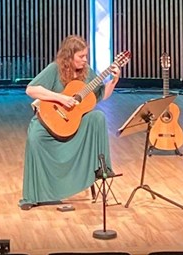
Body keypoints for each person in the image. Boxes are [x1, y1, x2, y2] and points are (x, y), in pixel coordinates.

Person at [19, 35, 120, 209]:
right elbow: (31, 89)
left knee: (98, 117)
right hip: (49, 120)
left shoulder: (87, 72)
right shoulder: (54, 69)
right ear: (69, 55)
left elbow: (102, 94)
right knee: (35, 137)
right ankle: (34, 195)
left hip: (72, 124)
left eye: (86, 56)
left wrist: (115, 80)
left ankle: (102, 168)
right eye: (81, 56)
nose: (85, 60)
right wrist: (60, 98)